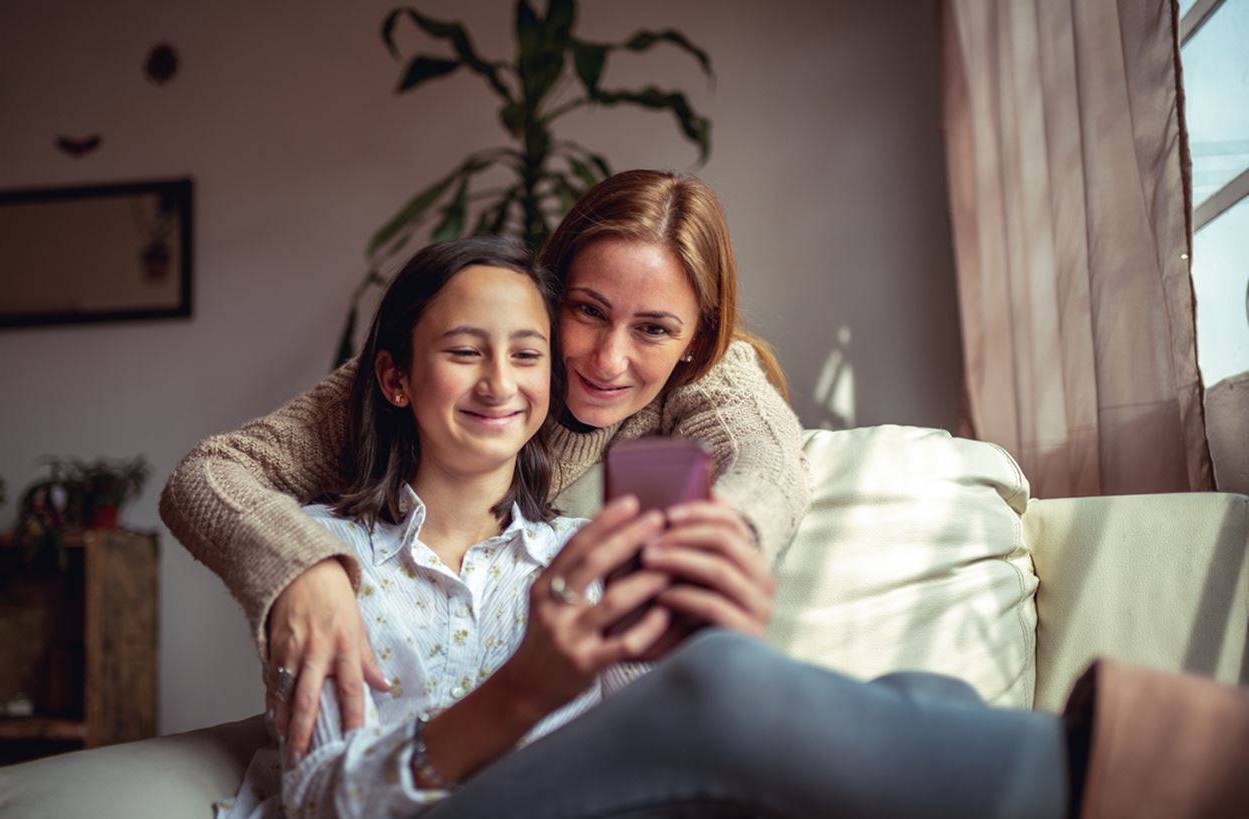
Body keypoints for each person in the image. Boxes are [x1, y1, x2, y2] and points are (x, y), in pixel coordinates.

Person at [214, 235, 1071, 819]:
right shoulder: (323, 564)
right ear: (396, 379)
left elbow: (660, 723)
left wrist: (698, 627)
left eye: (525, 353)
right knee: (729, 686)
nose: (498, 382)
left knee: (930, 697)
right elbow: (322, 798)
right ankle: (1119, 764)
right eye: (464, 351)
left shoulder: (573, 557)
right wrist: (523, 692)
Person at [160, 170, 810, 757]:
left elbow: (768, 465)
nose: (608, 360)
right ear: (546, 296)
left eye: (653, 329)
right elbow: (210, 474)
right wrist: (303, 566)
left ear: (694, 338)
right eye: (586, 310)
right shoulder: (443, 367)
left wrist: (717, 548)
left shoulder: (703, 374)